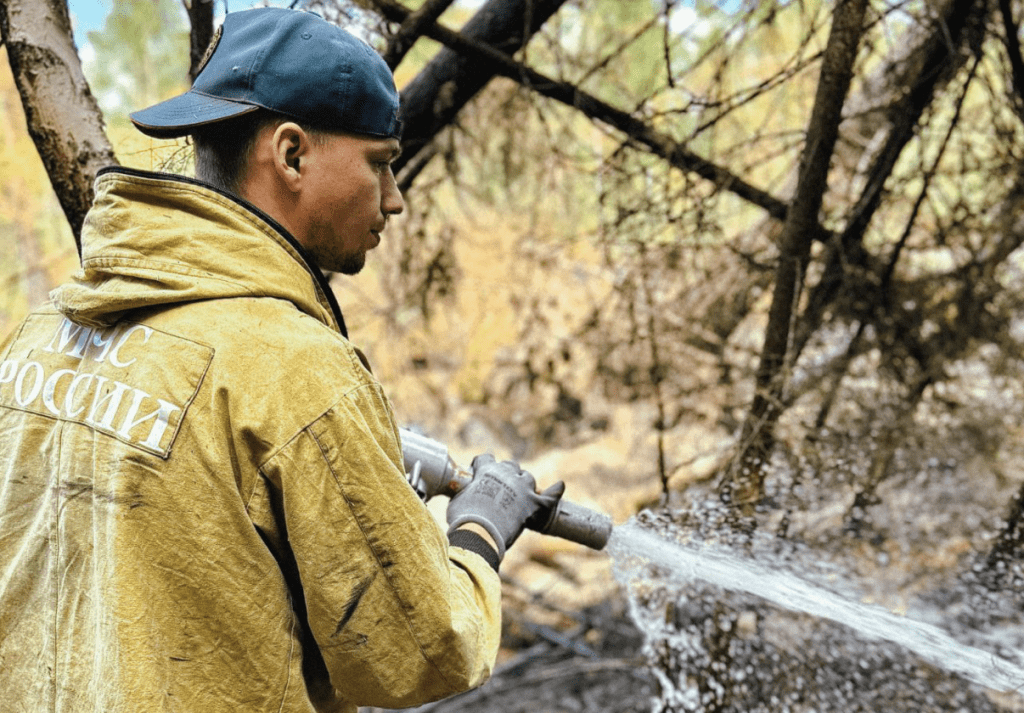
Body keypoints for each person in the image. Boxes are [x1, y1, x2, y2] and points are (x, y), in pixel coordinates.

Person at [0, 7, 561, 712]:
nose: (395, 199)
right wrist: (481, 527)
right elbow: (421, 653)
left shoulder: (46, 327)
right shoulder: (296, 369)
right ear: (292, 155)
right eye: (380, 164)